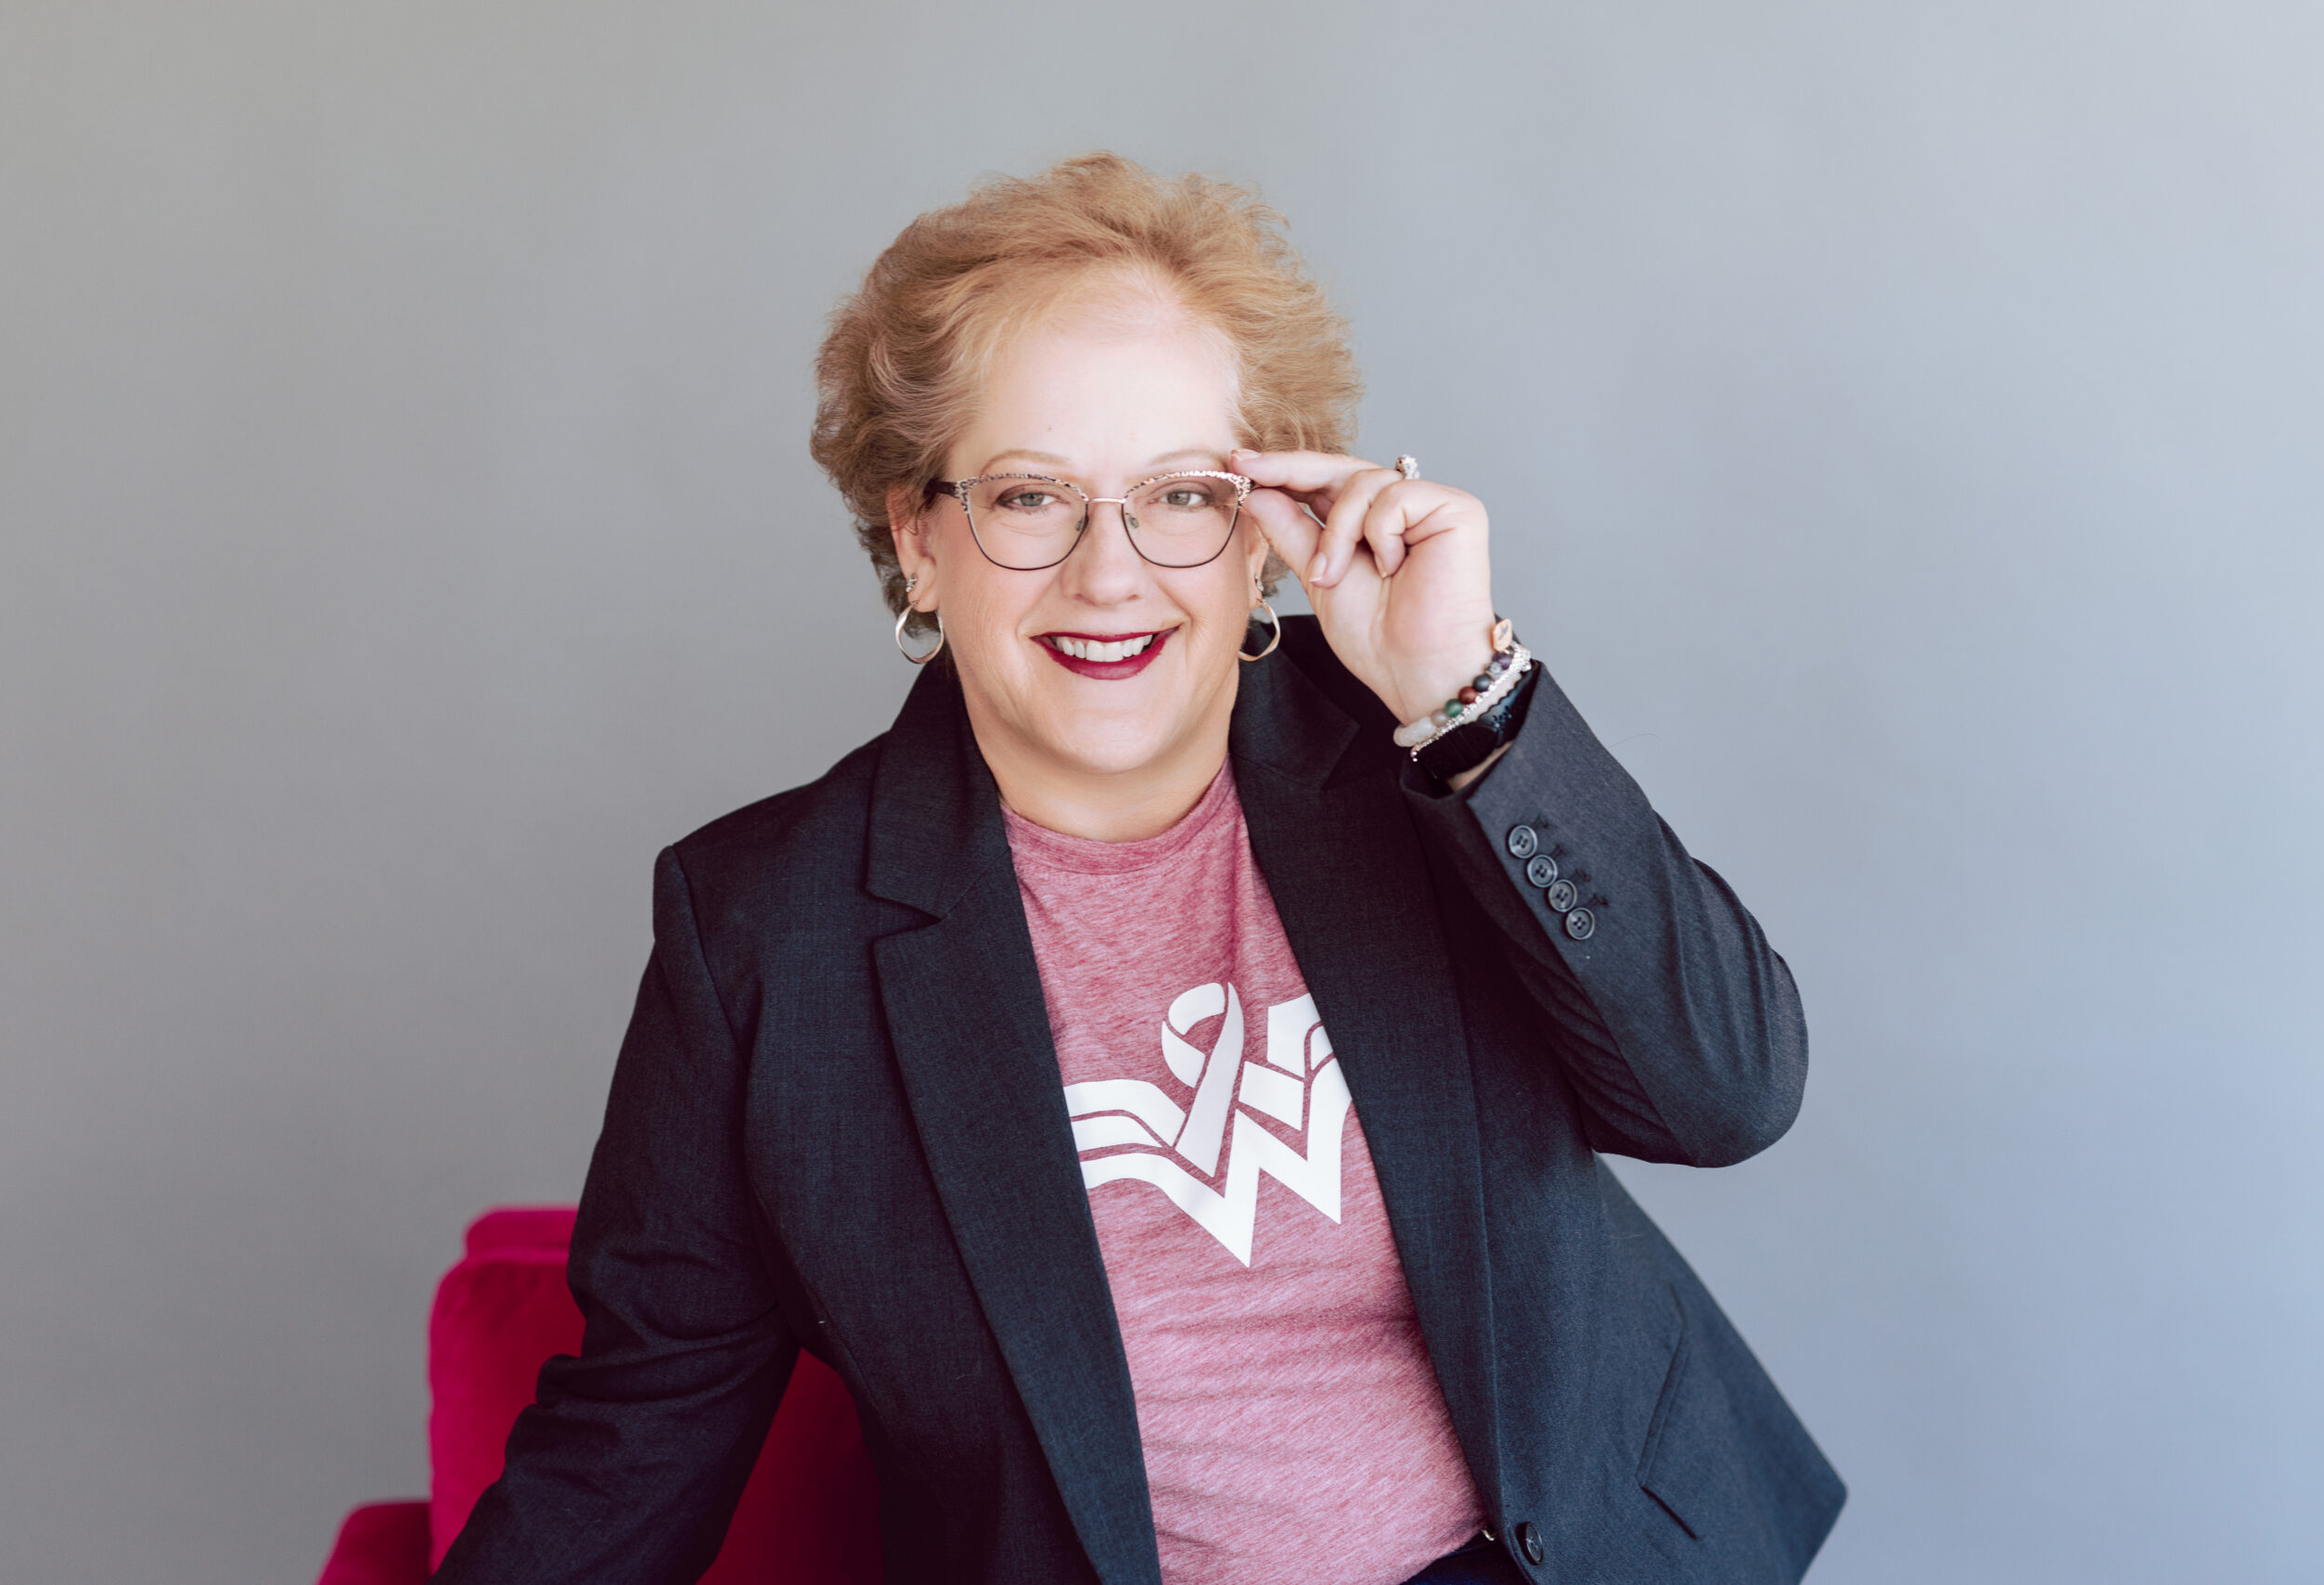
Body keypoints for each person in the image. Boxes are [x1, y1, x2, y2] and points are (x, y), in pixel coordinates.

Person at [434, 152, 1844, 1585]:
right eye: (1029, 497)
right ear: (920, 538)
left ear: (1260, 534)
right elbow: (633, 1441)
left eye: (1178, 496)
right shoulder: (763, 936)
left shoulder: (1420, 752)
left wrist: (1466, 698)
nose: (1109, 574)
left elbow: (1726, 1096)